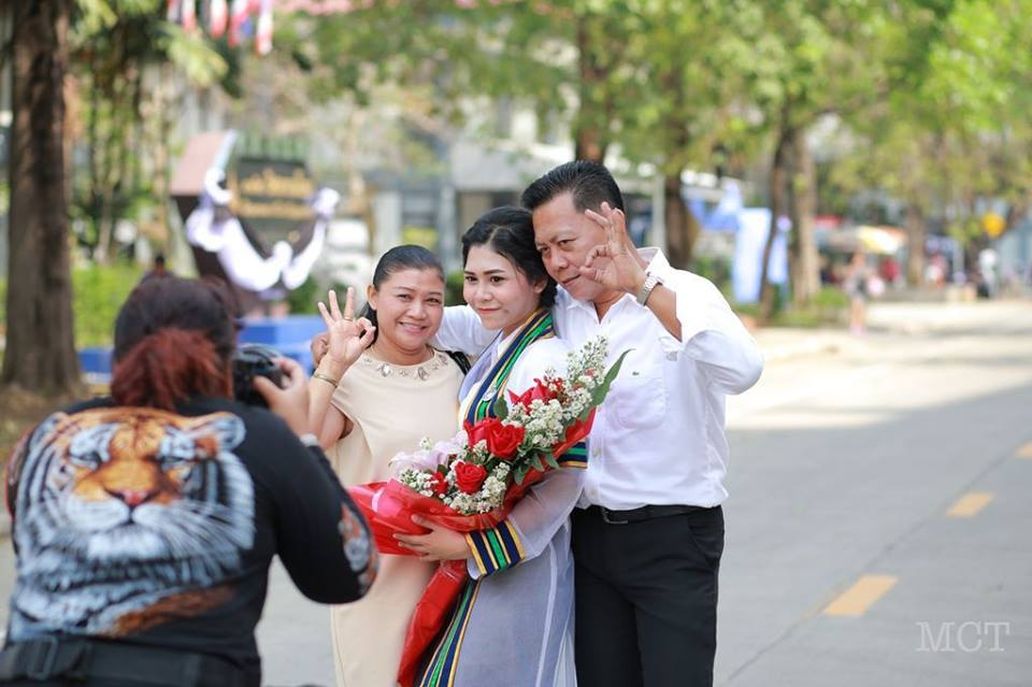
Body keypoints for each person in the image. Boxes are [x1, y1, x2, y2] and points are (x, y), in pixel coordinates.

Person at [435, 161, 763, 687]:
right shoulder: (561, 308)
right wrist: (372, 326)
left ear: (611, 221)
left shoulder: (686, 293)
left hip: (672, 538)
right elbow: (465, 319)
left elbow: (742, 370)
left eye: (566, 243)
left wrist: (643, 288)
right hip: (586, 543)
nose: (557, 262)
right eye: (545, 250)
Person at [0, 276, 378, 687]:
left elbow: (26, 536)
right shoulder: (257, 436)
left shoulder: (49, 434)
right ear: (226, 355)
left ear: (119, 350)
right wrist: (301, 438)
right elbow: (351, 574)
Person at [393, 207, 582, 686]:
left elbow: (564, 481)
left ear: (537, 279)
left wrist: (472, 545)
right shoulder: (504, 341)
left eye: (496, 279)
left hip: (519, 556)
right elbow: (433, 321)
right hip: (483, 552)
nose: (480, 294)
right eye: (472, 279)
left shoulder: (546, 359)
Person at [307, 246, 466, 687]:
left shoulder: (460, 371)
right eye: (404, 296)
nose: (418, 312)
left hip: (454, 574)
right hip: (375, 580)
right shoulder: (348, 376)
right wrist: (332, 366)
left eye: (432, 300)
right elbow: (303, 441)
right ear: (374, 296)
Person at [843, 250, 869, 335]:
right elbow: (847, 276)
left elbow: (867, 277)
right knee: (854, 308)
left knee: (861, 309)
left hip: (862, 290)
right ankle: (854, 325)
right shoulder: (851, 267)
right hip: (853, 290)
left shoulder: (864, 268)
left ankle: (861, 326)